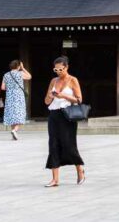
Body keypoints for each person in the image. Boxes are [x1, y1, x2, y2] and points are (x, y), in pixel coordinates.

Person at [43, 56, 85, 186]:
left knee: (69, 144)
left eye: (60, 69)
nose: (58, 72)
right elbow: (46, 101)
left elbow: (79, 100)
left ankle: (80, 170)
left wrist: (64, 95)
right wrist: (50, 96)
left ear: (66, 67)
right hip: (54, 115)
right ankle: (55, 179)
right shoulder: (53, 81)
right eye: (55, 69)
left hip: (67, 115)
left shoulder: (73, 80)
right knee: (53, 144)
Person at [2, 60, 31, 140]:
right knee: (20, 114)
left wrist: (10, 88)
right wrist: (23, 68)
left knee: (12, 115)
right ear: (18, 66)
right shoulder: (20, 73)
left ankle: (13, 134)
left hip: (10, 97)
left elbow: (3, 88)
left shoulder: (6, 75)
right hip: (19, 96)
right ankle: (15, 130)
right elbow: (29, 76)